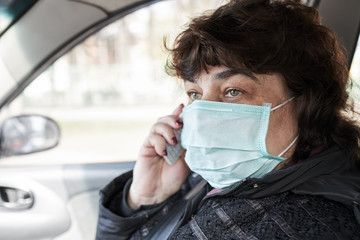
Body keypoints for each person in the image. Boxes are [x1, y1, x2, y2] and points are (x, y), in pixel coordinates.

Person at [96, 0, 360, 239]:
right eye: (195, 94)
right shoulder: (218, 176)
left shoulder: (301, 225)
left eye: (233, 91)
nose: (204, 112)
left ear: (306, 102)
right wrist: (144, 197)